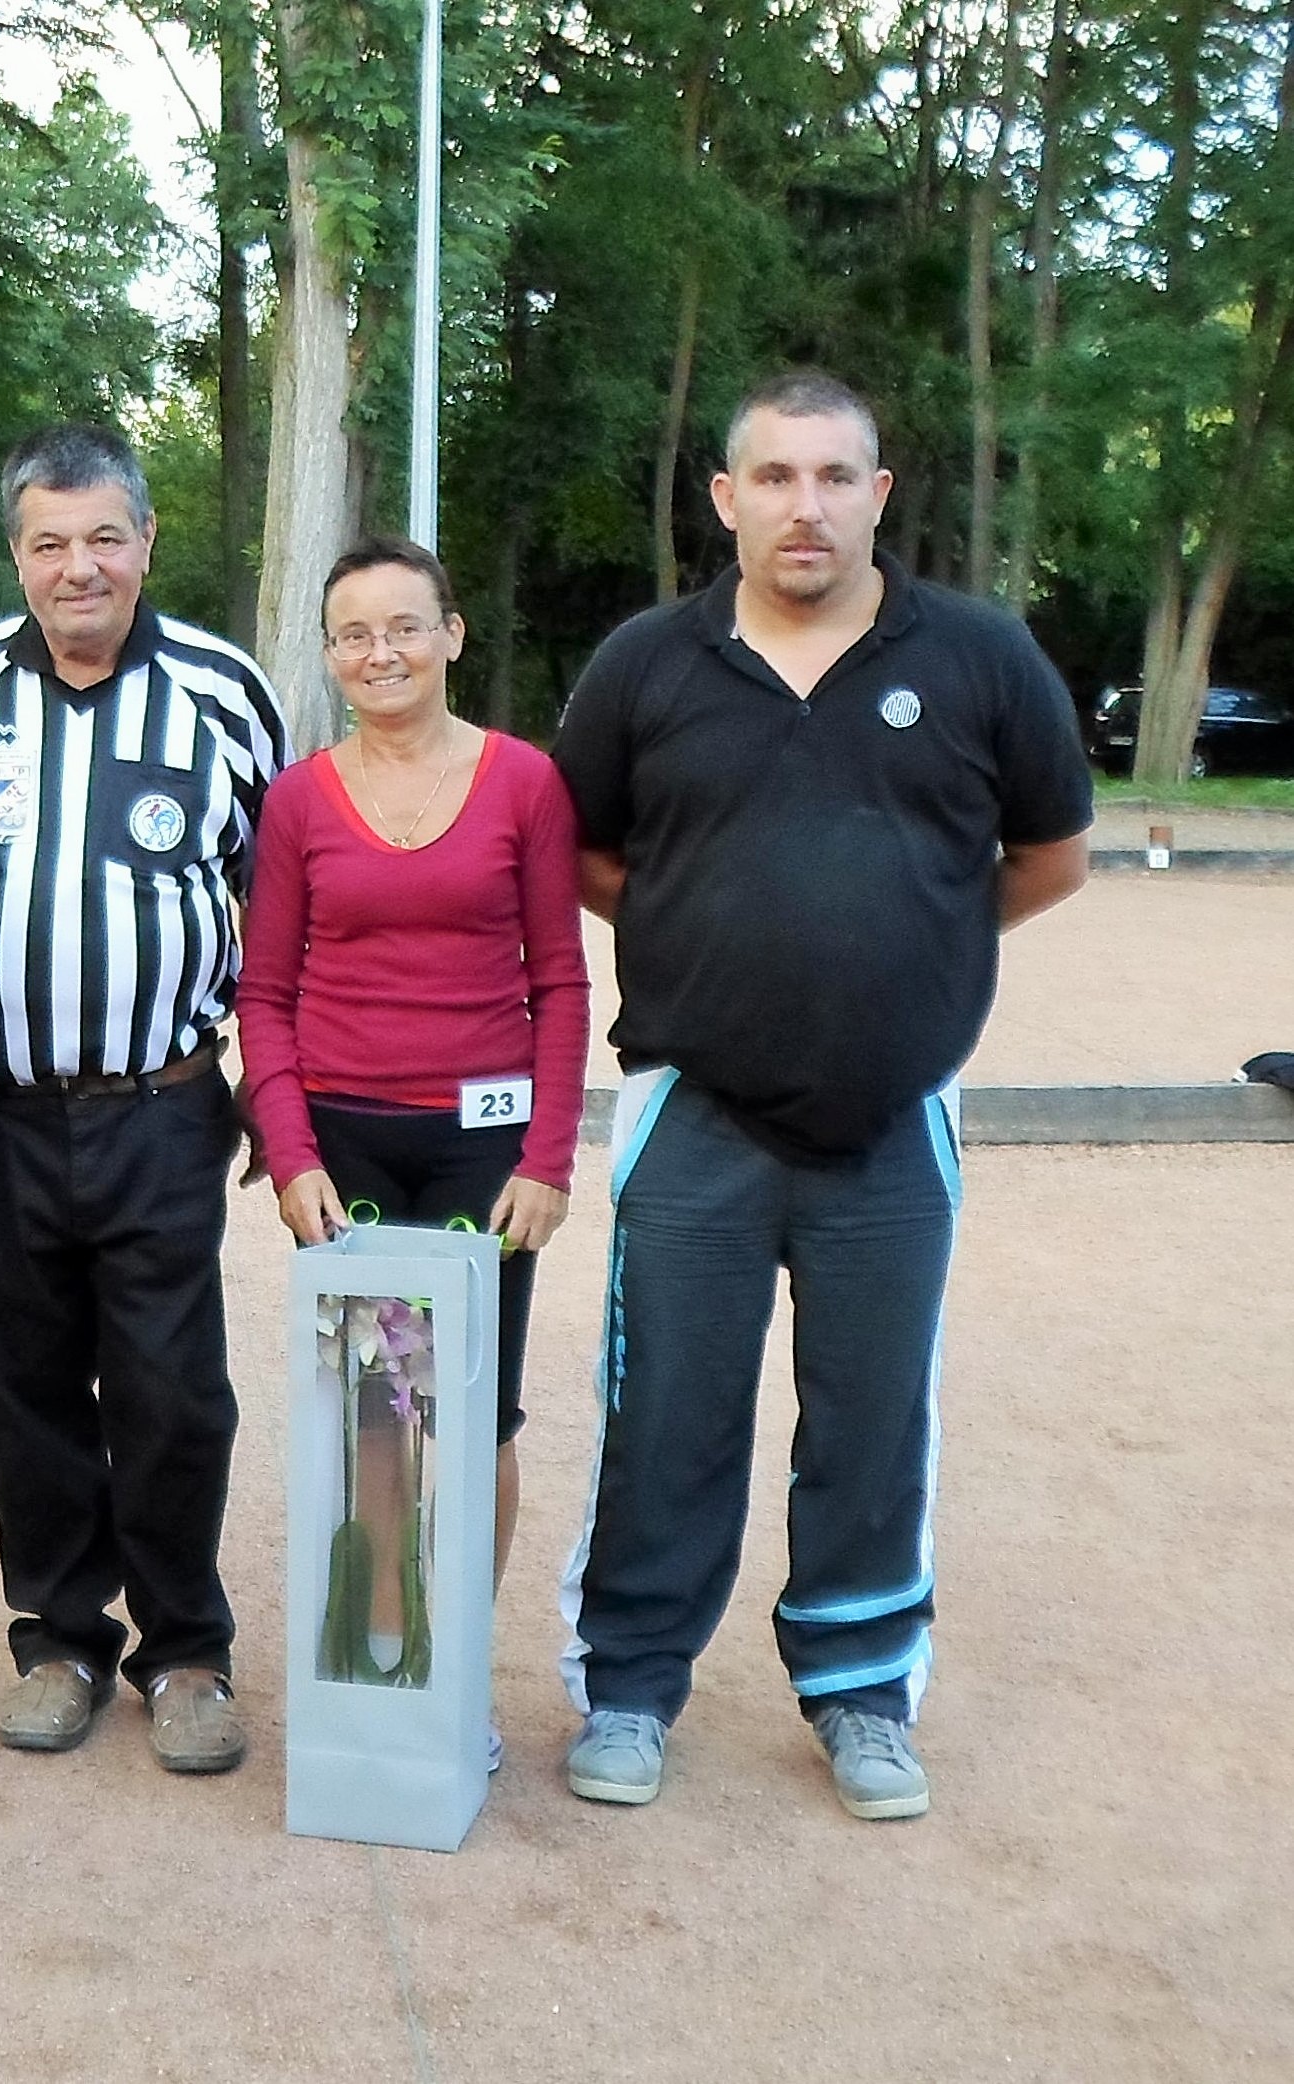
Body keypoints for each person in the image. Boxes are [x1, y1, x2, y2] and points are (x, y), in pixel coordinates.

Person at [550, 371, 1091, 1821]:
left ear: (876, 495)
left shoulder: (975, 657)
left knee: (870, 1414)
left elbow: (1047, 855)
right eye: (773, 478)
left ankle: (860, 1693)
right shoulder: (646, 666)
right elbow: (584, 851)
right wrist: (691, 936)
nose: (805, 505)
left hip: (893, 1117)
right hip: (694, 1113)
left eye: (833, 476)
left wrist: (911, 947)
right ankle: (628, 1684)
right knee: (663, 1406)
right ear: (723, 500)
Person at [0, 424, 287, 1774]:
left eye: (103, 538)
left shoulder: (223, 693)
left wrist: (277, 1088)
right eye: (48, 543)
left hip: (160, 1107)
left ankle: (186, 1652)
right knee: (22, 1389)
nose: (79, 567)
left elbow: (279, 904)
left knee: (173, 1392)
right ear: (15, 553)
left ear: (145, 543)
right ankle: (61, 1640)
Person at [236, 534, 589, 1768]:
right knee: (377, 1418)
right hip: (347, 1152)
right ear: (330, 655)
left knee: (473, 1417)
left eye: (403, 625)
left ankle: (453, 1678)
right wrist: (288, 1153)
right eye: (353, 633)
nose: (379, 651)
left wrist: (547, 1158)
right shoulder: (298, 800)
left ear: (451, 634)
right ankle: (378, 1657)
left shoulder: (526, 785)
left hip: (482, 1164)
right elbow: (264, 993)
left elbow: (560, 979)